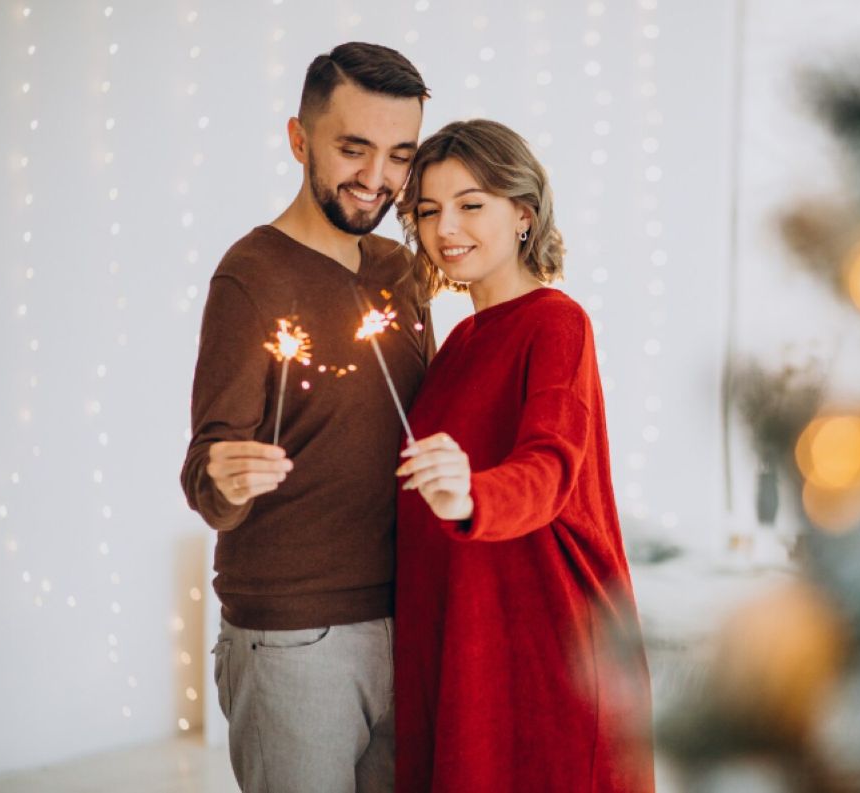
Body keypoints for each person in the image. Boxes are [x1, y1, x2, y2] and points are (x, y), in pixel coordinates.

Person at [180, 42, 433, 793]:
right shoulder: (251, 276)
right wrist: (226, 478)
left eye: (399, 155)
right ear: (300, 139)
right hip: (294, 639)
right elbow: (207, 473)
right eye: (353, 148)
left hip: (409, 616)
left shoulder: (403, 270)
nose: (376, 178)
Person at [393, 119, 655, 792]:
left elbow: (550, 465)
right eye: (427, 210)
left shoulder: (557, 323)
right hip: (466, 644)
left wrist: (472, 494)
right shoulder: (454, 345)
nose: (445, 225)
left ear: (523, 214)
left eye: (470, 204)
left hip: (544, 646)